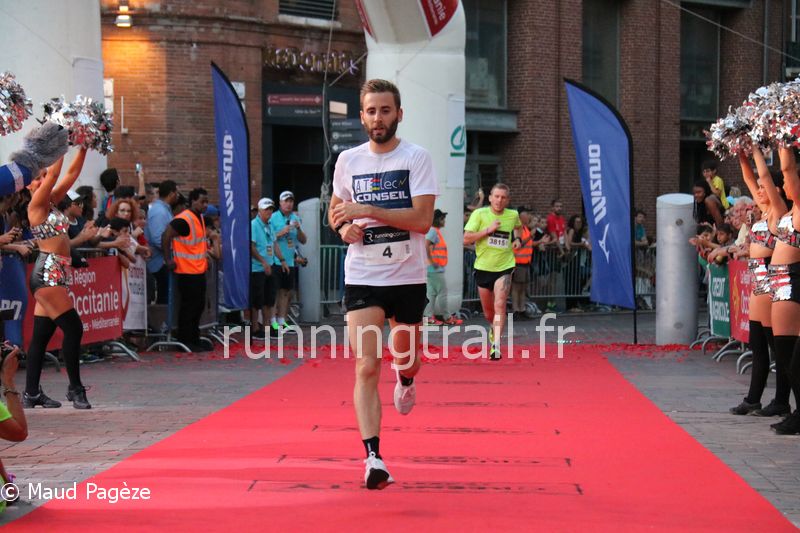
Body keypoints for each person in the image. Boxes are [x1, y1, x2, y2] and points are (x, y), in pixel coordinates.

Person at [328, 78, 437, 490]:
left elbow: (422, 220)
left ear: (399, 114)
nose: (378, 118)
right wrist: (343, 228)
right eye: (371, 111)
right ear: (362, 117)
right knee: (366, 365)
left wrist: (370, 209)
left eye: (385, 110)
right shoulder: (348, 161)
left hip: (407, 277)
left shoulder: (416, 158)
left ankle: (406, 379)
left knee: (407, 359)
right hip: (363, 276)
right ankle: (373, 458)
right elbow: (336, 212)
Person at [24, 146, 93, 410]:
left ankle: (31, 393)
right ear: (29, 185)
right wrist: (60, 142)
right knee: (74, 328)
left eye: (43, 176)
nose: (43, 179)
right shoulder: (36, 205)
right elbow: (54, 175)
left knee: (41, 336)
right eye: (38, 177)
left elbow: (71, 175)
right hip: (48, 274)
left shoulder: (51, 200)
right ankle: (75, 388)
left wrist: (83, 148)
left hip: (57, 272)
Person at [729, 150, 790, 418]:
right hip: (757, 278)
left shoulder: (779, 212)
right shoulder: (764, 213)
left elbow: (763, 175)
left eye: (765, 188)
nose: (759, 191)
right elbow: (750, 177)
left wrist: (756, 149)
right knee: (758, 344)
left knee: (778, 347)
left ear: (777, 190)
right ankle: (753, 399)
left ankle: (781, 400)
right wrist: (741, 151)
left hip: (770, 277)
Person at [751, 147, 800, 435]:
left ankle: (791, 408)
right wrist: (750, 149)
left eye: (789, 181)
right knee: (783, 355)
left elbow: (781, 172)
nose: (785, 183)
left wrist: (783, 141)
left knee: (790, 357)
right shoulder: (786, 213)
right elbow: (756, 178)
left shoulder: (791, 209)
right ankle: (788, 405)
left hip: (791, 278)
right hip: (777, 279)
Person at [463, 183, 522, 359]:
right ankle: (492, 327)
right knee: (489, 313)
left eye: (503, 197)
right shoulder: (479, 214)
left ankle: (496, 345)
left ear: (508, 200)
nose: (499, 200)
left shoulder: (513, 215)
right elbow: (466, 239)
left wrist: (517, 240)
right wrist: (488, 230)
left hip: (505, 266)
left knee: (500, 304)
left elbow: (518, 227)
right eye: (496, 196)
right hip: (483, 268)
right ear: (490, 198)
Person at [163, 188, 211, 352]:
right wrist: (168, 259)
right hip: (187, 271)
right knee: (189, 307)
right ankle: (185, 339)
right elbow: (166, 235)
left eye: (206, 202)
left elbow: (197, 244)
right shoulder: (184, 219)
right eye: (202, 201)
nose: (205, 205)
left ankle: (194, 338)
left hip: (198, 270)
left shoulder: (199, 218)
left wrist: (205, 257)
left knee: (198, 306)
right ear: (193, 201)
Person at [269, 190, 306, 333]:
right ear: (280, 203)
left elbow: (303, 240)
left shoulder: (295, 218)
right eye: (286, 201)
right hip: (275, 260)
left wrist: (299, 229)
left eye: (291, 201)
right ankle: (272, 323)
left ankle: (281, 321)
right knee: (274, 292)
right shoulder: (273, 217)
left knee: (285, 292)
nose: (289, 204)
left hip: (290, 261)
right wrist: (281, 232)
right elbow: (268, 237)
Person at [249, 198, 285, 340]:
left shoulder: (269, 225)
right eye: (266, 209)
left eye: (270, 209)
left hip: (270, 265)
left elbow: (274, 243)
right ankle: (255, 328)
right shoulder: (253, 225)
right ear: (259, 210)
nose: (269, 211)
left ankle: (267, 327)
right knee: (257, 299)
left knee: (269, 299)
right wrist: (263, 262)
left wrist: (282, 260)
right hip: (257, 268)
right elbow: (251, 247)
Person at [424, 209, 461, 326]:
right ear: (438, 220)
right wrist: (432, 262)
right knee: (442, 293)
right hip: (435, 268)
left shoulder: (433, 231)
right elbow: (426, 245)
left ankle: (428, 317)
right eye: (443, 219)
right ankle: (447, 317)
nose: (444, 221)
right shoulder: (433, 231)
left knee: (431, 294)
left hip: (432, 268)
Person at [145, 180, 179, 304]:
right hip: (159, 263)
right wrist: (175, 248)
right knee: (163, 299)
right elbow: (158, 239)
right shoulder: (159, 211)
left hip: (163, 261)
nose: (178, 196)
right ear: (171, 194)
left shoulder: (164, 210)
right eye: (176, 193)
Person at [511, 208, 534, 320]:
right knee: (516, 288)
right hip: (518, 262)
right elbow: (517, 245)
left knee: (523, 288)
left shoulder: (525, 228)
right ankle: (516, 310)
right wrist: (530, 236)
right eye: (526, 215)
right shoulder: (516, 229)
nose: (528, 217)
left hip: (526, 262)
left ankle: (522, 309)